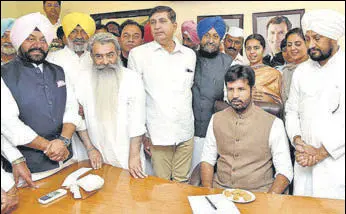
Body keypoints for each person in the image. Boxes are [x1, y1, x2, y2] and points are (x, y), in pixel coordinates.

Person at [1, 12, 80, 184]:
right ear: (19, 41)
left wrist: (63, 141)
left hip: (65, 160)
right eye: (30, 39)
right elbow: (8, 123)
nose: (38, 45)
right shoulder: (4, 74)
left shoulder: (59, 71)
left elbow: (71, 109)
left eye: (43, 40)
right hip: (28, 170)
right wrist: (49, 147)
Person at [128, 6, 196, 182]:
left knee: (183, 183)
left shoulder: (189, 55)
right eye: (153, 22)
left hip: (185, 132)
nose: (157, 26)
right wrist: (143, 135)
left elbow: (188, 91)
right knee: (162, 186)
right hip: (157, 135)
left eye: (162, 21)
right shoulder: (138, 55)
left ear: (174, 25)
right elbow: (134, 99)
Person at [200, 65, 293, 193]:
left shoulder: (274, 124)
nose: (235, 95)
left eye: (241, 89)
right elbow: (207, 160)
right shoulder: (216, 119)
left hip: (258, 195)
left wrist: (268, 201)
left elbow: (285, 171)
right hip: (220, 192)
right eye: (230, 89)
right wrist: (208, 194)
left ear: (252, 90)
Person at [285, 9, 345, 200]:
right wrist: (297, 141)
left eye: (317, 38)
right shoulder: (301, 72)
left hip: (336, 165)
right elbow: (291, 110)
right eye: (308, 38)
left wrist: (321, 152)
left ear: (334, 38)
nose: (311, 45)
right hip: (304, 162)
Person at [75, 32, 146, 178]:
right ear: (91, 57)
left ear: (118, 53)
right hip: (97, 154)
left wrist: (133, 156)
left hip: (127, 154)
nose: (105, 61)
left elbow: (137, 121)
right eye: (99, 56)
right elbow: (78, 119)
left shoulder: (132, 79)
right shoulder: (82, 80)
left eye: (110, 55)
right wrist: (90, 148)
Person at [47, 12, 98, 163]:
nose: (79, 36)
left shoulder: (95, 57)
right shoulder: (53, 58)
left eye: (83, 31)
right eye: (74, 31)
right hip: (64, 120)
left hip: (94, 117)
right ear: (66, 34)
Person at [191, 16, 233, 177]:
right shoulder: (188, 57)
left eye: (215, 36)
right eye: (207, 35)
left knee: (210, 178)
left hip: (214, 134)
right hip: (187, 132)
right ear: (200, 37)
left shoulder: (228, 62)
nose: (210, 40)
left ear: (220, 39)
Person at [245, 34, 282, 106]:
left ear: (263, 50)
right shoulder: (239, 72)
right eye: (248, 48)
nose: (252, 52)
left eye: (256, 48)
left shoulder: (274, 74)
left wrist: (268, 99)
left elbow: (280, 103)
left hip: (266, 113)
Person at [281, 28, 309, 107]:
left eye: (297, 44)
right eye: (289, 45)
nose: (293, 48)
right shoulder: (286, 71)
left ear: (307, 44)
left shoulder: (316, 67)